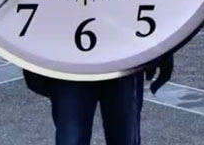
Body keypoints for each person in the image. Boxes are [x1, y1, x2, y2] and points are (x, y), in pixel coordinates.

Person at [24, 54, 174, 145]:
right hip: (71, 63)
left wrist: (164, 49)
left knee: (123, 137)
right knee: (72, 137)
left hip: (123, 57)